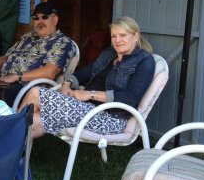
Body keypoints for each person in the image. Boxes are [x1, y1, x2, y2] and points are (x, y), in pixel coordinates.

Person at [20, 16, 155, 138]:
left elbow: (130, 98)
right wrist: (67, 85)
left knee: (35, 92)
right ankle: (15, 151)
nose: (117, 40)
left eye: (123, 35)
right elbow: (84, 73)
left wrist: (90, 94)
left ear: (135, 36)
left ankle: (8, 132)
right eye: (113, 36)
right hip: (87, 108)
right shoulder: (110, 53)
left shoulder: (145, 61)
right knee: (35, 120)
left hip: (110, 119)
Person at [0, 1, 75, 107]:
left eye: (44, 17)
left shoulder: (62, 42)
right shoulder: (28, 37)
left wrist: (16, 77)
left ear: (55, 20)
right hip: (3, 81)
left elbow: (50, 72)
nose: (40, 21)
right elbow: (7, 57)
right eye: (36, 18)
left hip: (26, 88)